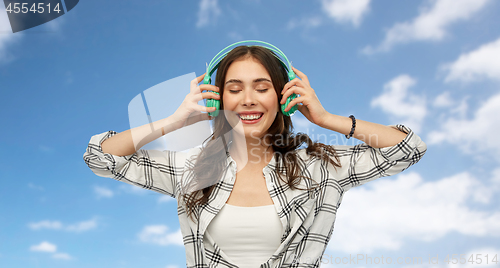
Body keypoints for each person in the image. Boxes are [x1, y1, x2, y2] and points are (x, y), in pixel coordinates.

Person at [83, 44, 427, 268]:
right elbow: (100, 156)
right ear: (218, 100)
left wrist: (325, 119)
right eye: (234, 90)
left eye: (262, 89)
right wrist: (174, 121)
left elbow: (407, 148)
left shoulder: (322, 168)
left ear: (283, 96)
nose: (248, 99)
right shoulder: (189, 169)